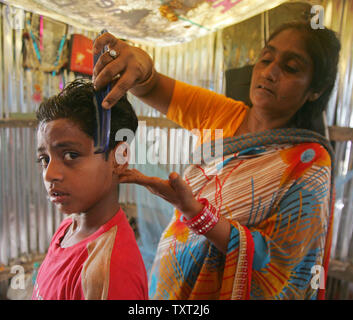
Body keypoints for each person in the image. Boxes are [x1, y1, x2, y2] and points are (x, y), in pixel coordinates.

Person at [92, 21, 340, 300]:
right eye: (266, 59)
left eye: (291, 68)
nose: (270, 72)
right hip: (170, 285)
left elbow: (282, 265)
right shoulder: (222, 114)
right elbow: (151, 86)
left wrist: (195, 212)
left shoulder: (309, 162)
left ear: (315, 90)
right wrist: (140, 67)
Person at [32, 79, 148, 300]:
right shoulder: (68, 227)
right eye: (44, 159)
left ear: (119, 158)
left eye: (71, 155)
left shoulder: (110, 271)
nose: (49, 174)